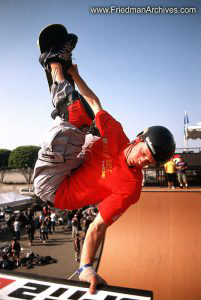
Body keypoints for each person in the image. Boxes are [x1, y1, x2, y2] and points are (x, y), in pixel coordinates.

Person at [33, 38, 175, 293]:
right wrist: (76, 75)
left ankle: (52, 61)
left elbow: (97, 226)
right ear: (139, 139)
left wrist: (86, 267)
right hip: (74, 163)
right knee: (89, 116)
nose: (142, 161)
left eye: (149, 162)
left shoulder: (131, 188)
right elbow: (96, 102)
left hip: (54, 187)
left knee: (77, 120)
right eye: (144, 153)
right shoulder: (117, 132)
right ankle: (65, 96)